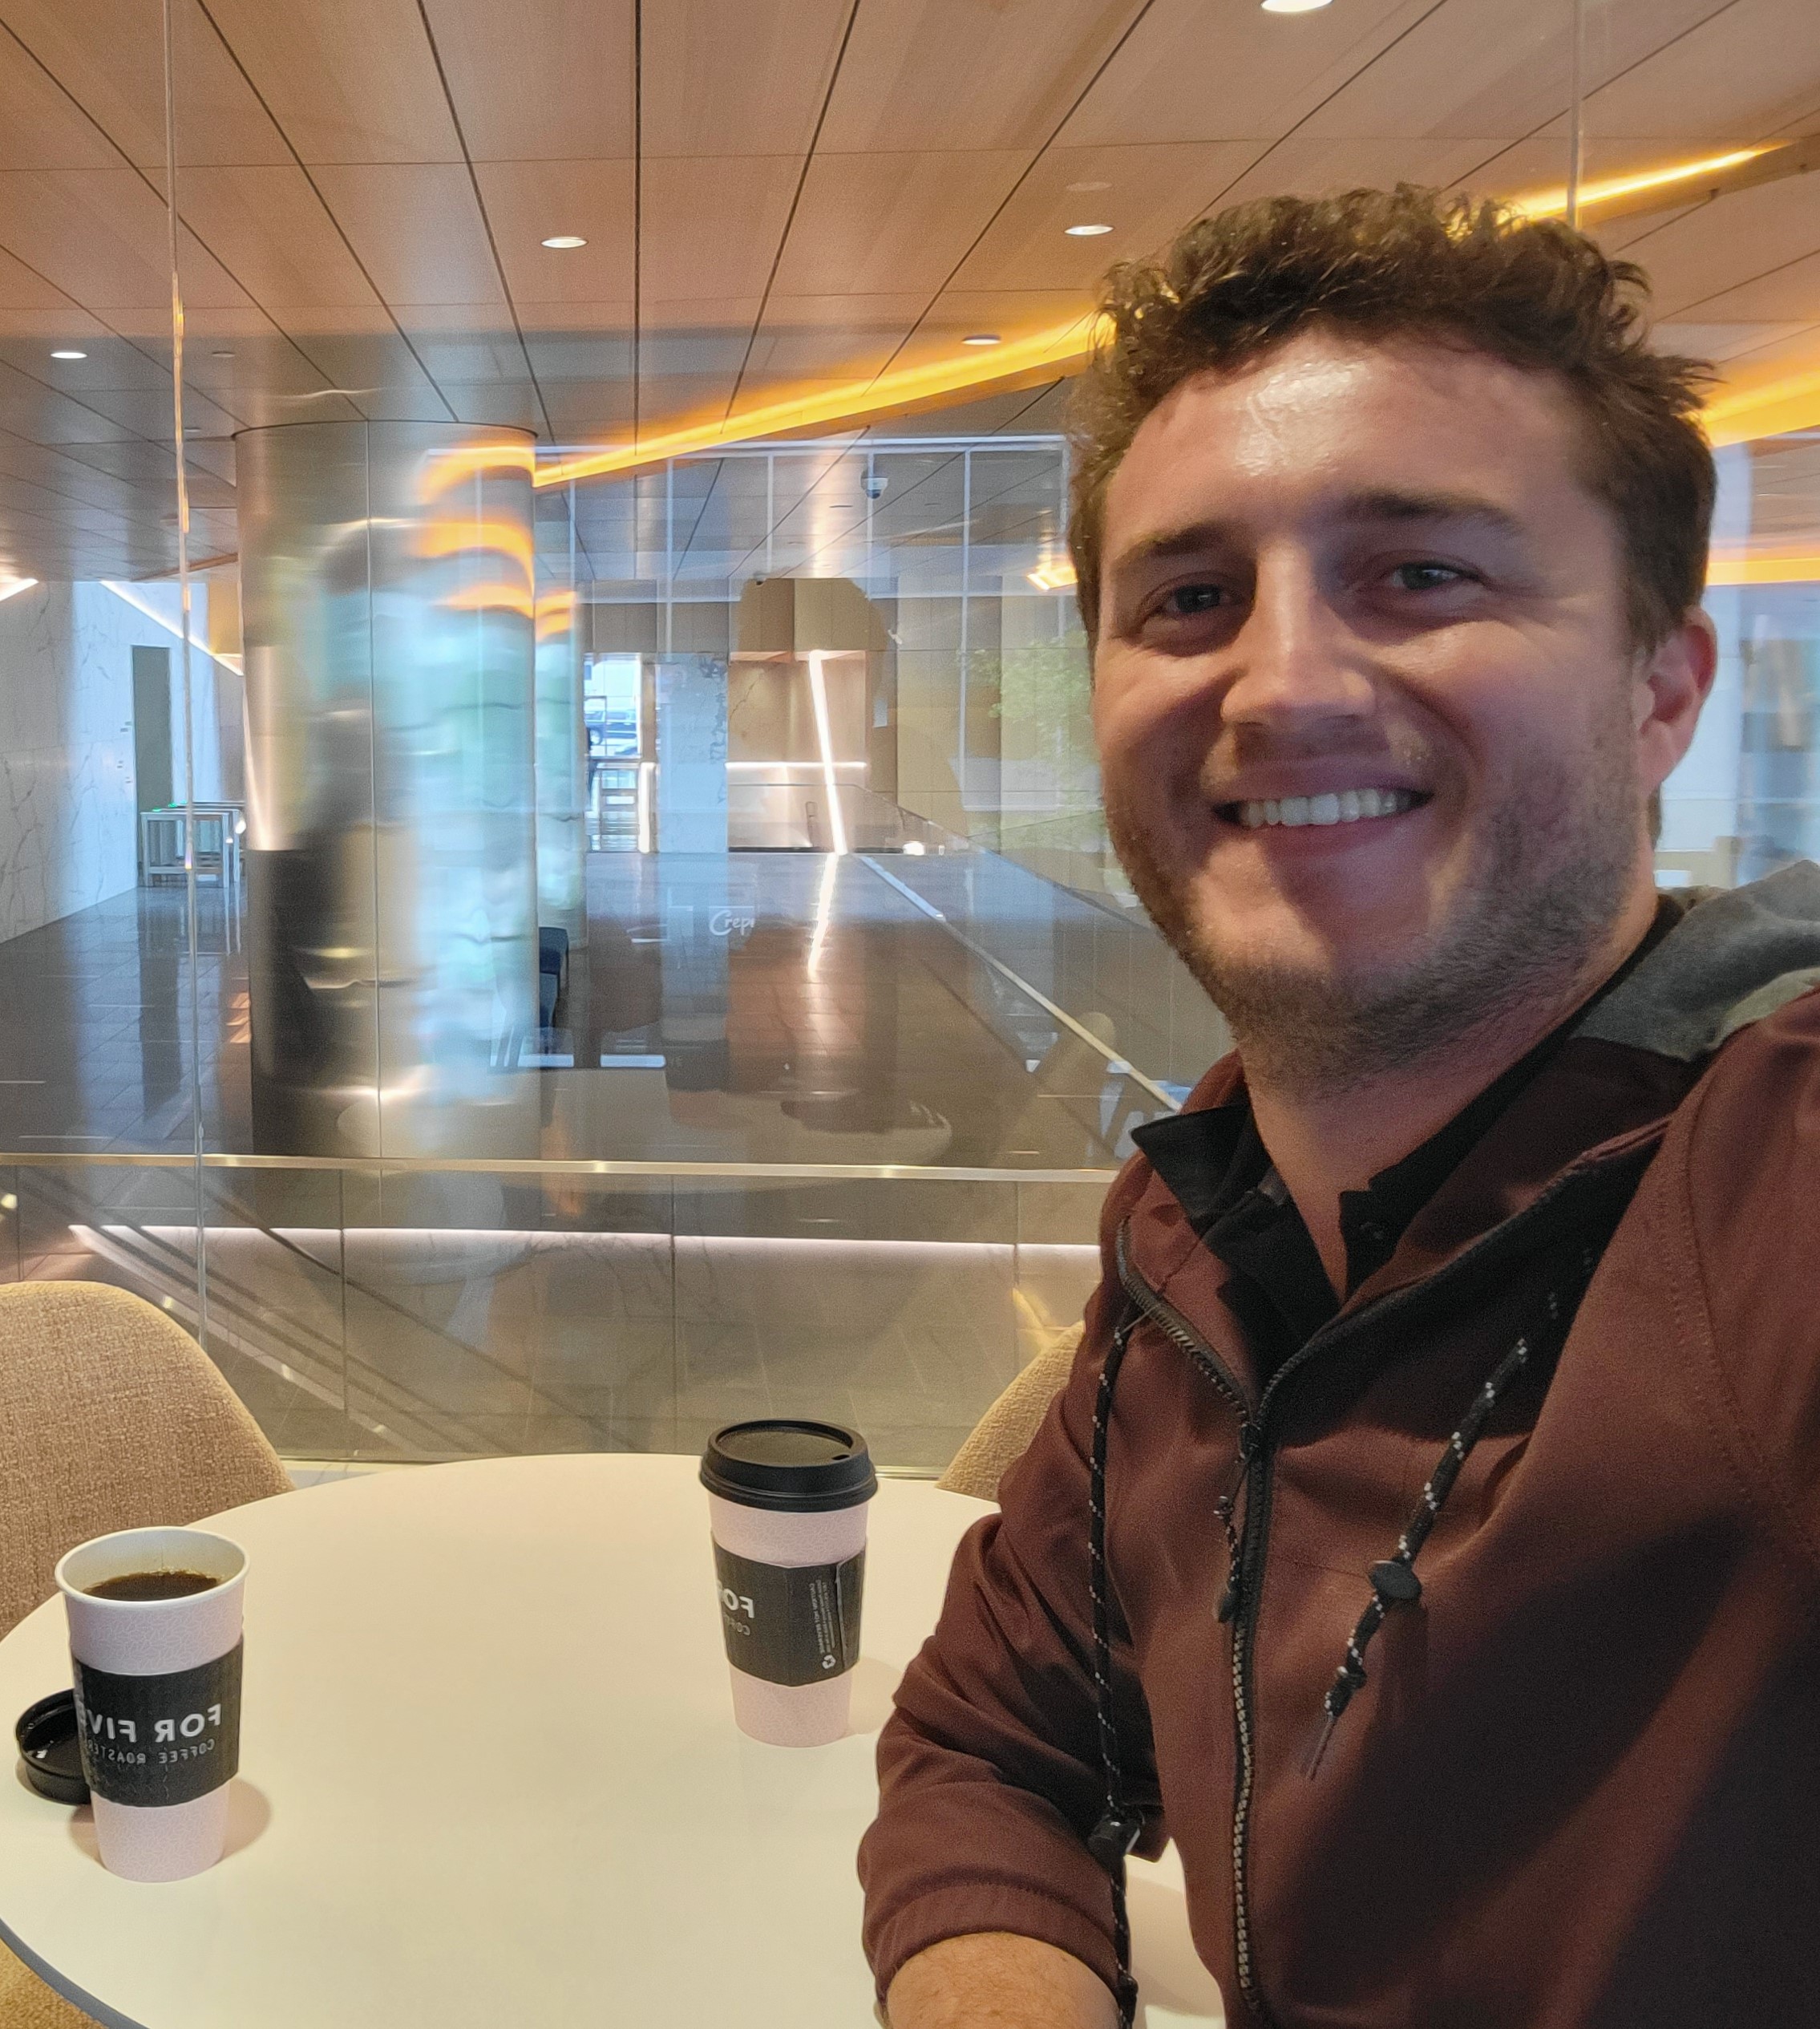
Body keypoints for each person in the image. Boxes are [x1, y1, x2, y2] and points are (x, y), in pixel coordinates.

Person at [859, 184, 1820, 2028]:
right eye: (1191, 597)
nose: (1282, 681)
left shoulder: (1768, 1181)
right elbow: (991, 1745)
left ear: (1663, 688)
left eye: (1423, 573)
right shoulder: (1196, 1238)